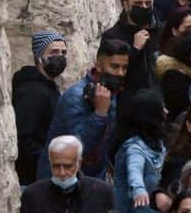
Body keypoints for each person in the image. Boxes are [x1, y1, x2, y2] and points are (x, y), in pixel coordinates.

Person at [38, 38, 130, 179]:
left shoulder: (109, 92)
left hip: (92, 178)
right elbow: (81, 148)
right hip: (62, 179)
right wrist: (100, 114)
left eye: (124, 68)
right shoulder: (76, 97)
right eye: (114, 67)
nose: (120, 73)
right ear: (98, 66)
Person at [14, 31, 68, 184]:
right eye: (54, 52)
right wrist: (50, 161)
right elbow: (24, 139)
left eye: (63, 52)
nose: (60, 56)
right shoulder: (32, 91)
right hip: (35, 177)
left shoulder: (49, 86)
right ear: (39, 57)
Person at [22, 135, 115, 212]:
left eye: (68, 166)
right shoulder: (33, 195)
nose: (62, 173)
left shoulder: (101, 193)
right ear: (50, 163)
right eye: (56, 166)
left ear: (79, 163)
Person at [113, 89, 168, 213]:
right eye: (162, 108)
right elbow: (135, 168)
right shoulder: (133, 147)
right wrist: (139, 189)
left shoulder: (158, 144)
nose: (166, 111)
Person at [103, 0, 161, 96]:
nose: (144, 7)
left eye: (148, 3)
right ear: (126, 5)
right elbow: (111, 74)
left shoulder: (161, 31)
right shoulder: (113, 36)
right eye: (138, 4)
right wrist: (135, 49)